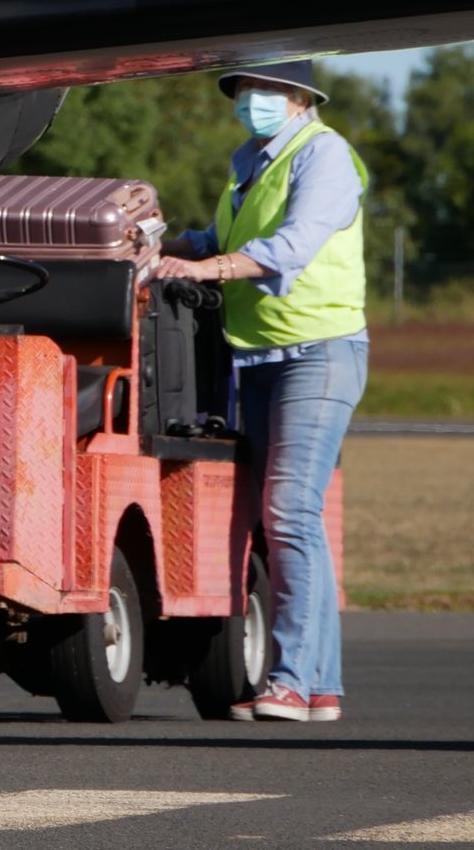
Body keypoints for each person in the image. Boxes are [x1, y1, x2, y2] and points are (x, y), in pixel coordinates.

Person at [156, 60, 368, 724]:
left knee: (288, 513)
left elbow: (292, 245)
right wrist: (158, 247)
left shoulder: (325, 155)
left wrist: (208, 267)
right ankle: (320, 687)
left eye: (265, 90)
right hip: (259, 359)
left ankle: (289, 682)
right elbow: (223, 239)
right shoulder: (251, 164)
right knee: (289, 520)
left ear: (301, 97)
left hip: (319, 354)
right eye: (243, 90)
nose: (251, 101)